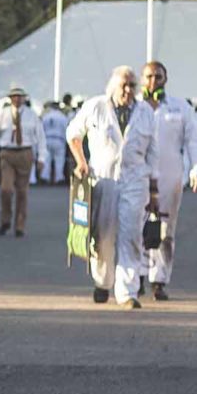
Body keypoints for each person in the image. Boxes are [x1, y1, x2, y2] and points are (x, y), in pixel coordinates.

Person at [67, 66, 157, 309]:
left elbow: (153, 152)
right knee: (103, 236)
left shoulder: (146, 112)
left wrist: (154, 190)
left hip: (135, 180)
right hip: (104, 180)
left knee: (131, 236)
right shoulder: (96, 106)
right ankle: (103, 282)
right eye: (123, 86)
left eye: (132, 86)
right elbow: (73, 134)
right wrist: (81, 162)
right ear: (113, 87)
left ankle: (127, 292)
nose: (128, 91)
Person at [140, 62, 197, 299]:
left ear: (165, 79)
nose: (153, 81)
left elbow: (194, 141)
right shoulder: (135, 107)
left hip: (171, 176)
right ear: (142, 79)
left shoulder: (180, 108)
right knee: (135, 226)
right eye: (148, 77)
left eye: (158, 77)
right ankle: (136, 275)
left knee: (165, 230)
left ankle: (159, 280)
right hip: (138, 175)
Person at [0, 85, 47, 237]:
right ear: (10, 99)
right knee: (6, 189)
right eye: (14, 96)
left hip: (25, 153)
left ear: (24, 98)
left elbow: (41, 137)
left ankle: (20, 225)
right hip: (7, 153)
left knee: (22, 191)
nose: (17, 99)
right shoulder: (2, 115)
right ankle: (5, 220)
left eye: (19, 96)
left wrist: (41, 157)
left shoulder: (31, 115)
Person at [40, 101, 69, 184]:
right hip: (59, 139)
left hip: (47, 139)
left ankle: (45, 176)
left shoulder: (46, 116)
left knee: (47, 159)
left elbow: (42, 128)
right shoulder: (62, 117)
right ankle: (59, 178)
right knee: (59, 160)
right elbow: (66, 129)